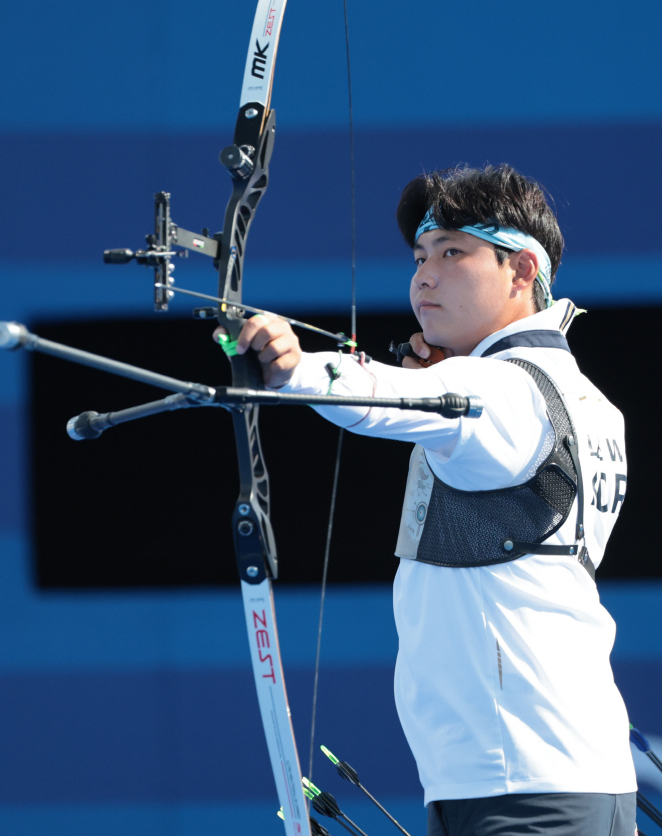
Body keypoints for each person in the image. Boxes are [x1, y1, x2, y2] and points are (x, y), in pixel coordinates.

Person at [216, 164, 637, 836]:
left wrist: (292, 368)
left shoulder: (504, 391)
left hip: (521, 787)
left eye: (452, 253)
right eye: (419, 256)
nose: (424, 277)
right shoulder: (583, 398)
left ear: (522, 270)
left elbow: (379, 397)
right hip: (558, 773)